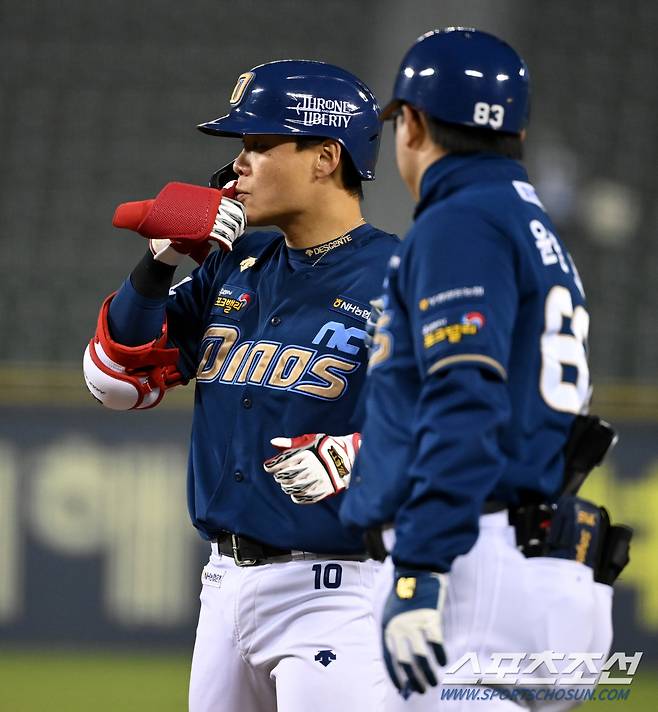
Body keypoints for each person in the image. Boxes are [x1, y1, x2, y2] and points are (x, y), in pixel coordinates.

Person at [266, 29, 625, 711]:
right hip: (537, 558)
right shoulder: (532, 226)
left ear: (417, 124)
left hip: (475, 566)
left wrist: (420, 569)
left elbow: (465, 401)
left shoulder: (462, 224)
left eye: (399, 121)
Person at [83, 59, 399, 712]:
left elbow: (460, 421)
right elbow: (113, 379)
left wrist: (356, 455)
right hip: (225, 588)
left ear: (325, 157)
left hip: (338, 589)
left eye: (260, 144)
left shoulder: (401, 275)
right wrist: (161, 259)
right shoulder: (234, 264)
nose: (238, 165)